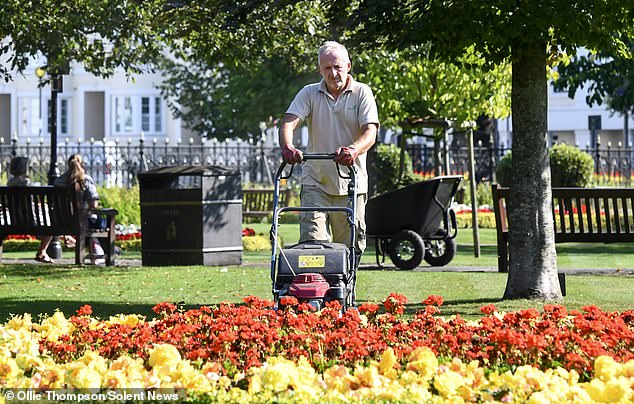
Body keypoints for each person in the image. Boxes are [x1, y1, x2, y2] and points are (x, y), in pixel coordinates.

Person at [278, 41, 379, 262]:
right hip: (316, 181)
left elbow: (370, 132)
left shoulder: (362, 92)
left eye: (337, 67)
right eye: (327, 68)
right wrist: (288, 147)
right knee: (313, 247)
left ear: (348, 66)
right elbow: (288, 122)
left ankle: (344, 294)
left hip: (351, 184)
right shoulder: (309, 93)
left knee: (349, 249)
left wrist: (353, 150)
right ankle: (316, 295)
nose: (332, 73)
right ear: (320, 69)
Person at [54, 154, 105, 264]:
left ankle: (95, 248)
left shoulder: (58, 181)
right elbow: (93, 205)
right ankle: (99, 250)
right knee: (100, 222)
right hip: (82, 222)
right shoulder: (85, 179)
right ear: (82, 165)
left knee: (92, 222)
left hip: (63, 221)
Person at [7, 156, 55, 263]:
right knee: (52, 225)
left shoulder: (9, 184)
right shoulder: (27, 185)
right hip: (30, 222)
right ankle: (42, 251)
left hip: (14, 221)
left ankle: (42, 252)